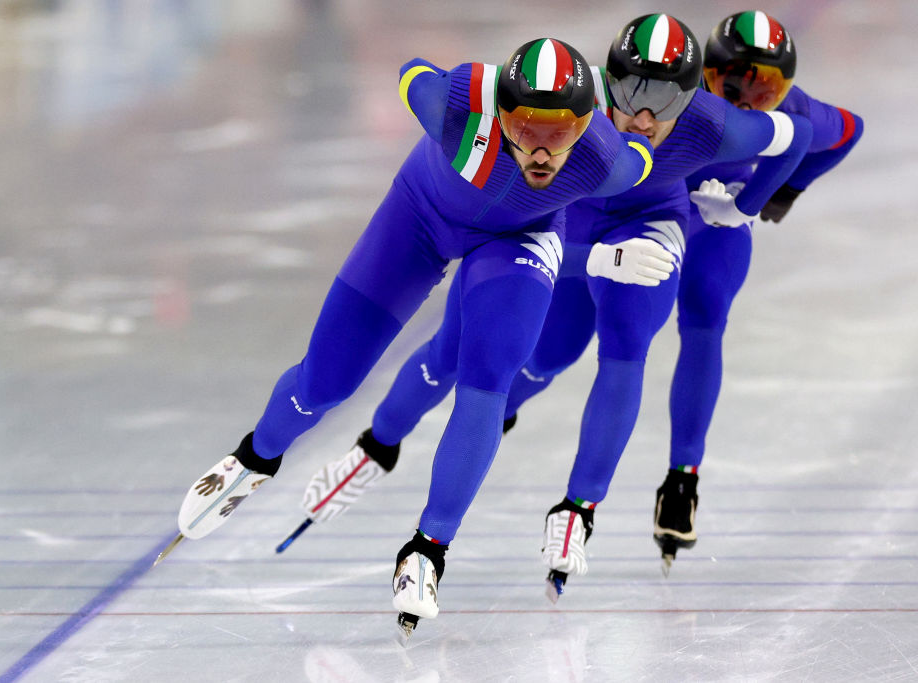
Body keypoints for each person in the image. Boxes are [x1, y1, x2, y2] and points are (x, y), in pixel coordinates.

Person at [281, 13, 817, 599]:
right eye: (631, 90)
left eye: (664, 101)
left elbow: (804, 137)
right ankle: (377, 445)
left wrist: (749, 206)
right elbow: (515, 229)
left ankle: (578, 508)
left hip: (648, 224)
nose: (642, 115)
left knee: (622, 348)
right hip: (566, 225)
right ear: (605, 80)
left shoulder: (714, 125)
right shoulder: (563, 108)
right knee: (463, 353)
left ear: (692, 99)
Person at [160, 37, 658, 640]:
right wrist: (601, 260)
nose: (545, 149)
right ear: (501, 111)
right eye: (528, 126)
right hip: (419, 217)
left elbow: (645, 155)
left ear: (587, 124)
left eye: (564, 130)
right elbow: (411, 73)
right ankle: (254, 458)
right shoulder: (461, 102)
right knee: (325, 383)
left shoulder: (603, 161)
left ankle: (427, 549)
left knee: (488, 375)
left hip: (515, 243)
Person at [652, 9, 863, 569]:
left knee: (704, 324)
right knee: (578, 340)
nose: (749, 100)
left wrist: (789, 187)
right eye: (736, 83)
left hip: (717, 229)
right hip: (650, 218)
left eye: (767, 87)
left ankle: (682, 480)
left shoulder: (793, 112)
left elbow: (848, 129)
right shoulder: (674, 97)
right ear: (707, 75)